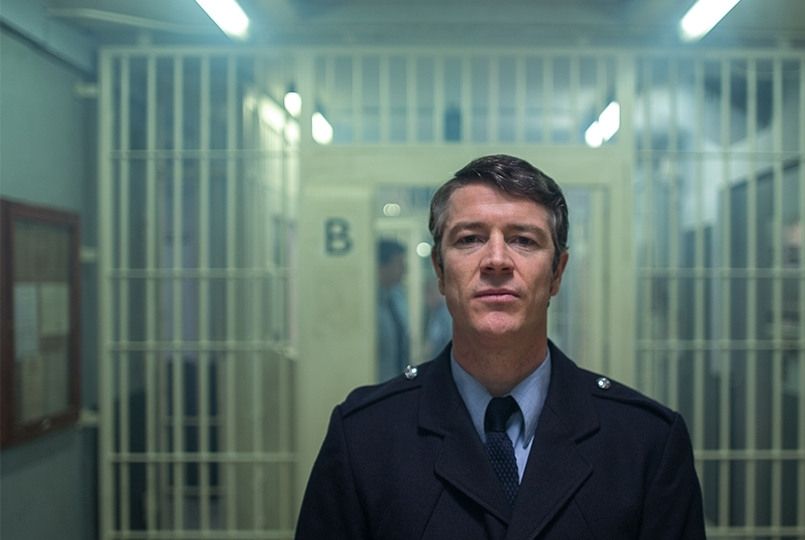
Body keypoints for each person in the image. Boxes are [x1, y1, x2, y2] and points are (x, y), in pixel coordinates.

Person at [296, 154, 706, 539]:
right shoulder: (364, 438)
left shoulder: (645, 443)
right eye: (470, 238)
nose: (496, 260)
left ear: (557, 273)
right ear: (440, 270)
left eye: (523, 240)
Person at [376, 239, 410, 381]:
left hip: (398, 381)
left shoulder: (397, 299)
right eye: (399, 264)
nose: (404, 270)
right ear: (382, 267)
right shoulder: (369, 307)